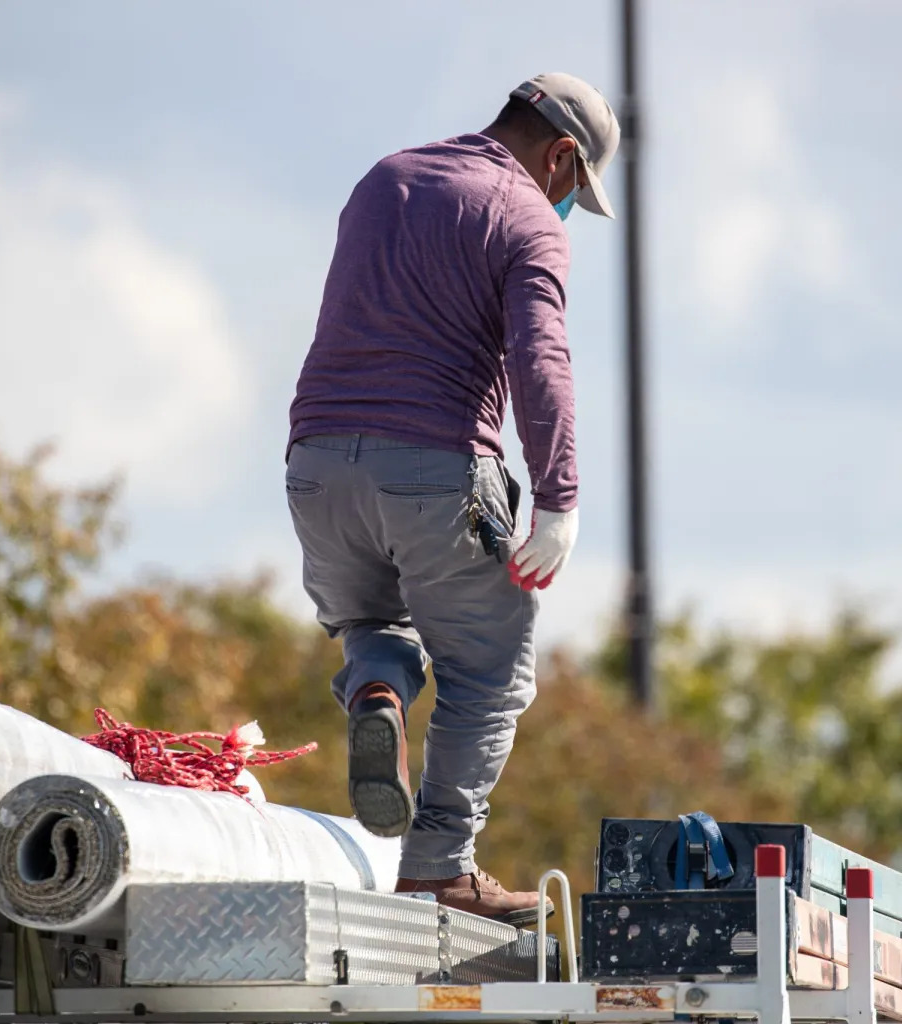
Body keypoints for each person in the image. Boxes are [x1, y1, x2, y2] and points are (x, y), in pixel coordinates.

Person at [284, 73, 620, 925]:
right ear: (562, 155)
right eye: (575, 187)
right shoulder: (528, 218)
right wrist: (559, 501)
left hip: (315, 464)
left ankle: (379, 697)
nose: (569, 203)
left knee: (371, 622)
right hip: (435, 467)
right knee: (489, 671)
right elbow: (541, 363)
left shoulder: (385, 176)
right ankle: (438, 866)